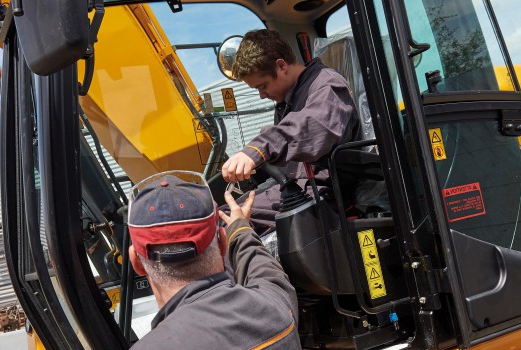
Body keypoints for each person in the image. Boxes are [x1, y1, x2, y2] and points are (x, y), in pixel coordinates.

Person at [127, 170, 300, 349]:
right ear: (223, 243)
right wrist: (240, 227)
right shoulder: (276, 307)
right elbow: (265, 270)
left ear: (137, 263)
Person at [221, 29, 360, 235]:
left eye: (263, 86)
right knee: (225, 213)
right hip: (297, 185)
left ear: (281, 66)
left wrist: (258, 149)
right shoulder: (289, 99)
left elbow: (312, 126)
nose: (261, 95)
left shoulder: (327, 85)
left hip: (325, 189)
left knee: (224, 227)